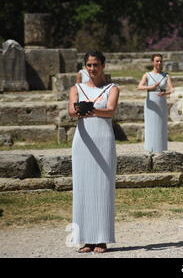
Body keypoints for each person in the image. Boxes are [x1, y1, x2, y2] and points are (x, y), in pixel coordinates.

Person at [68, 50, 120, 253]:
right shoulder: (76, 88)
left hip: (104, 140)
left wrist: (91, 110)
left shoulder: (112, 88)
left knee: (103, 188)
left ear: (103, 66)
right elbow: (72, 111)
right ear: (85, 66)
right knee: (83, 188)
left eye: (96, 65)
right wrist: (81, 109)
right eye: (89, 65)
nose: (92, 69)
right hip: (83, 141)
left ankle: (102, 239)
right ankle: (85, 239)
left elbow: (110, 110)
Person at [138, 54, 174, 152]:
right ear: (153, 62)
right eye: (157, 61)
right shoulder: (147, 75)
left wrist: (166, 93)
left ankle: (161, 149)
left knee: (161, 125)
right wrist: (151, 87)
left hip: (161, 102)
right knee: (150, 125)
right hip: (151, 102)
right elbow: (140, 86)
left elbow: (172, 89)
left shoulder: (166, 75)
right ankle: (150, 149)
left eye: (160, 61)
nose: (159, 63)